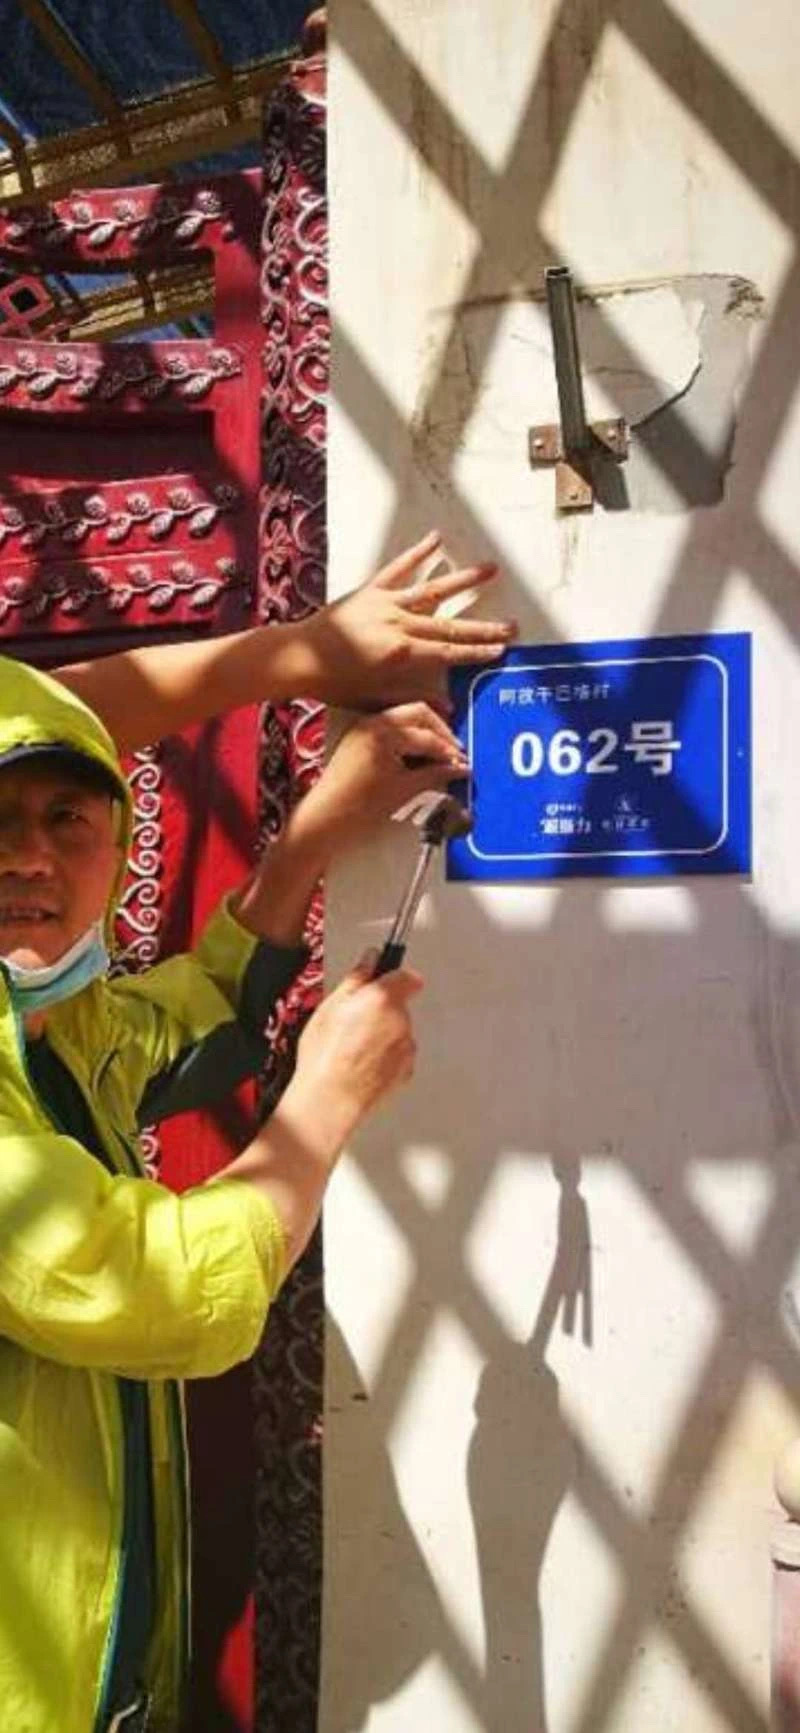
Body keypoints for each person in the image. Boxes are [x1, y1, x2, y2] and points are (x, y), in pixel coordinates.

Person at [0, 537, 514, 1733]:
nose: (29, 856)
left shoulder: (52, 1028)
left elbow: (184, 1024)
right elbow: (162, 1293)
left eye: (67, 817)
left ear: (117, 846)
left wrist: (313, 833)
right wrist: (323, 1099)